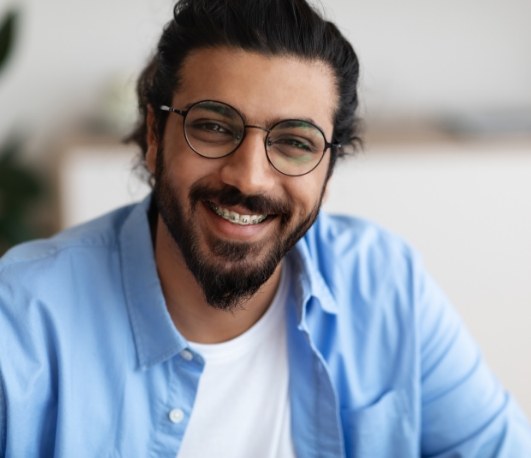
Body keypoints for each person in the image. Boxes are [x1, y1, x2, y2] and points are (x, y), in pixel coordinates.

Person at [1, 0, 530, 456]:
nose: (249, 177)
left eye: (294, 142)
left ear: (330, 167)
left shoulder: (387, 283)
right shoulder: (20, 319)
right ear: (156, 135)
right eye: (212, 126)